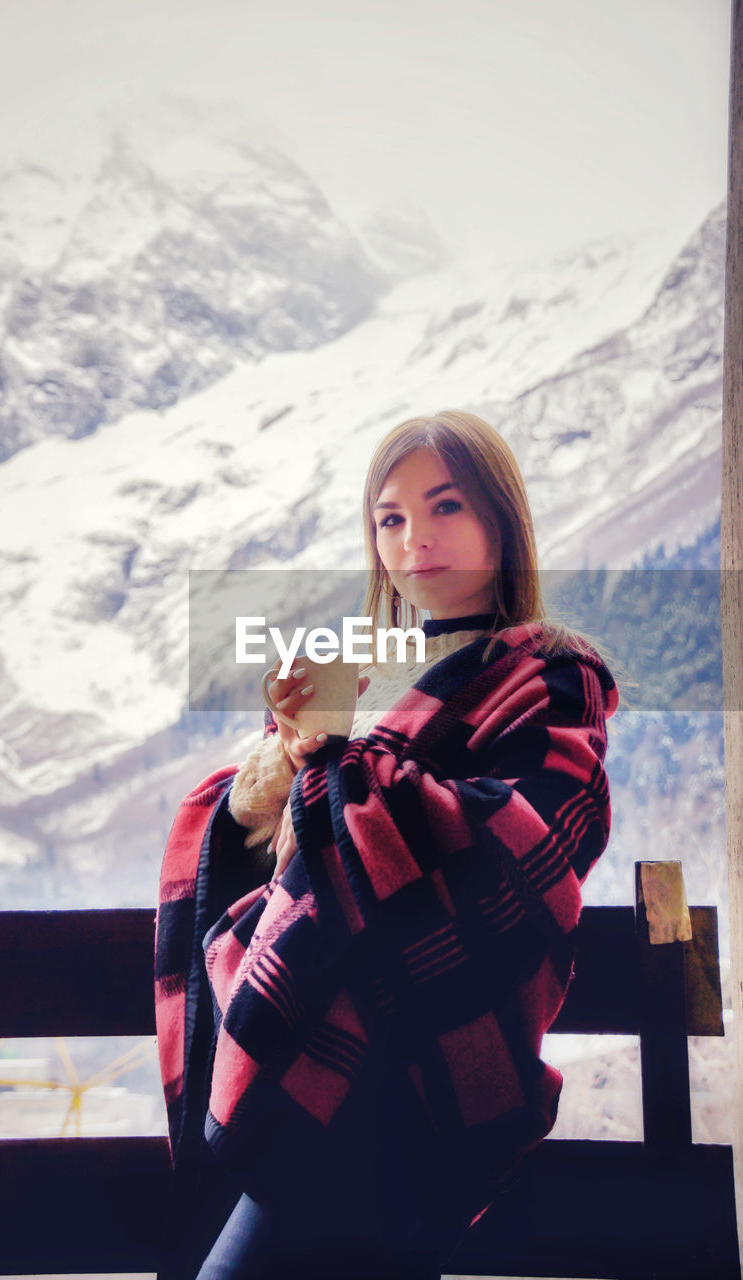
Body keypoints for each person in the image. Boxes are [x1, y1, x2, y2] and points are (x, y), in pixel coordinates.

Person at [155, 409, 618, 1279]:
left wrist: (337, 760)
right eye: (390, 518)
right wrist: (283, 762)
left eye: (445, 507)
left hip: (420, 1072)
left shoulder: (554, 675)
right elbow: (277, 863)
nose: (415, 539)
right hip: (299, 1053)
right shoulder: (354, 668)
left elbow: (526, 851)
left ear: (500, 520)